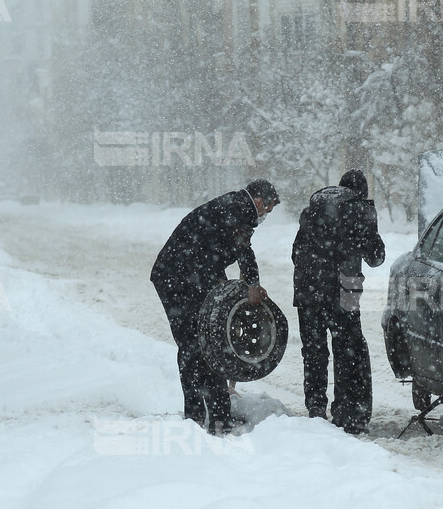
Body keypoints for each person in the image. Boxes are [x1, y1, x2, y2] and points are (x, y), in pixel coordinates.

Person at [150, 178, 279, 432]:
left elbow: (212, 248)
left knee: (211, 342)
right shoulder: (239, 208)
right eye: (268, 209)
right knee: (193, 344)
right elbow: (242, 250)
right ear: (259, 201)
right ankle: (198, 417)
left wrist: (224, 279)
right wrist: (252, 284)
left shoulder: (234, 206)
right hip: (176, 279)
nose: (265, 215)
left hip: (190, 274)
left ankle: (219, 414)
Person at [292, 169, 385, 434]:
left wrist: (313, 278)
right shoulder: (359, 209)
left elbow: (295, 252)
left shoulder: (312, 209)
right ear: (361, 192)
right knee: (346, 350)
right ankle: (345, 413)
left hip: (308, 289)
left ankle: (315, 408)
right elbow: (376, 256)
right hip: (344, 290)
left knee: (314, 351)